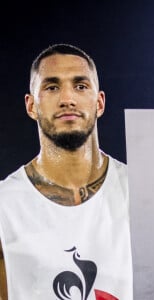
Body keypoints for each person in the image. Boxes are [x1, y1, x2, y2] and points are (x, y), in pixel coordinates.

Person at [0, 43, 132, 300]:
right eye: (52, 87)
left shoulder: (140, 191)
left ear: (100, 102)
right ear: (31, 106)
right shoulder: (4, 205)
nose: (67, 99)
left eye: (80, 86)